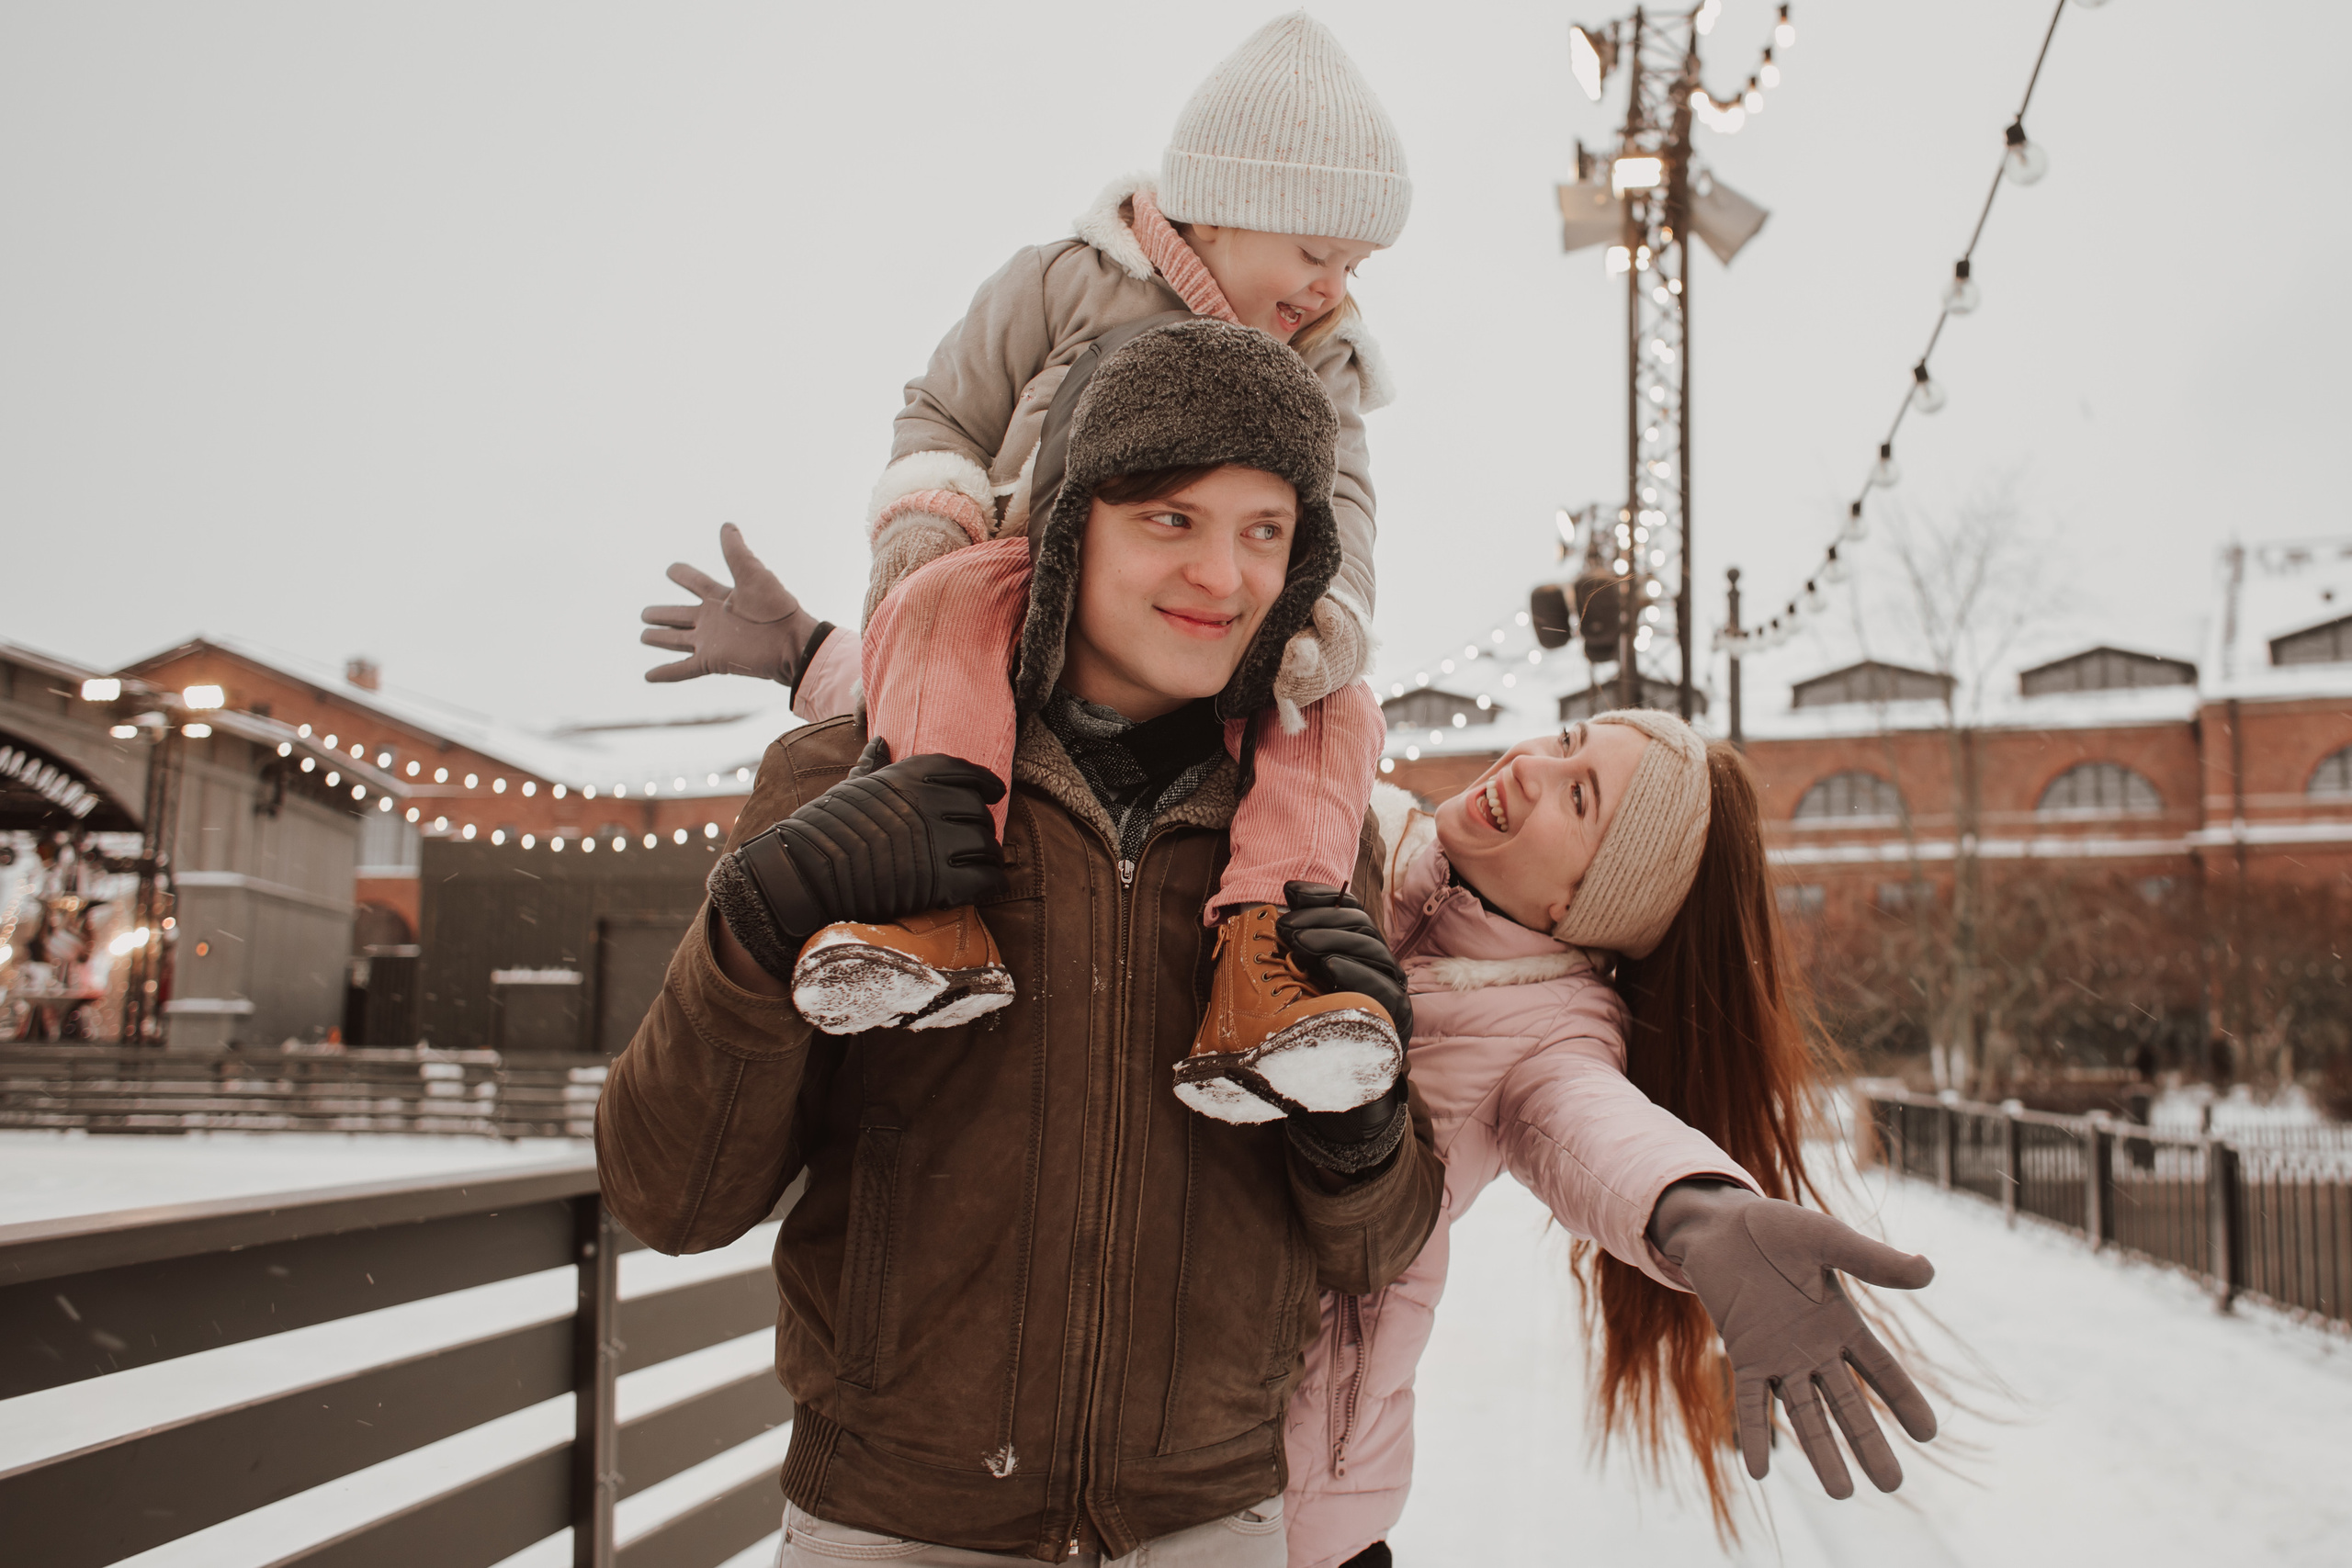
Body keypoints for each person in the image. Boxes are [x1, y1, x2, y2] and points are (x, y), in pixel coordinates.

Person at [597, 318, 1444, 1565]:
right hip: (897, 1522)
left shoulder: (1311, 842)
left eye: (1266, 530)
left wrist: (1363, 1125)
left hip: (1207, 1520)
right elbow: (670, 1195)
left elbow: (1371, 1248)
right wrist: (755, 925)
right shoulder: (848, 778)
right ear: (1067, 522)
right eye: (1172, 517)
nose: (1225, 575)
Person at [637, 12, 1412, 1123]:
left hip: (1216, 672)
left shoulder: (1321, 357)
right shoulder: (1068, 282)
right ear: (1229, 206)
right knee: (945, 613)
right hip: (1012, 565)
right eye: (1315, 253)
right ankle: (926, 884)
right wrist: (930, 523)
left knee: (1331, 712)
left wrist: (1321, 612)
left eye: (1353, 265)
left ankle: (1266, 956)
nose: (1333, 287)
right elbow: (947, 406)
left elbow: (1346, 501)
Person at [1276, 713, 1942, 1566]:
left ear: (1578, 903)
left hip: (1304, 1500)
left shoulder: (1554, 1026)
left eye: (1578, 795)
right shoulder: (1354, 832)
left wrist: (1700, 1208)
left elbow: (1596, 1129)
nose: (1529, 768)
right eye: (1563, 743)